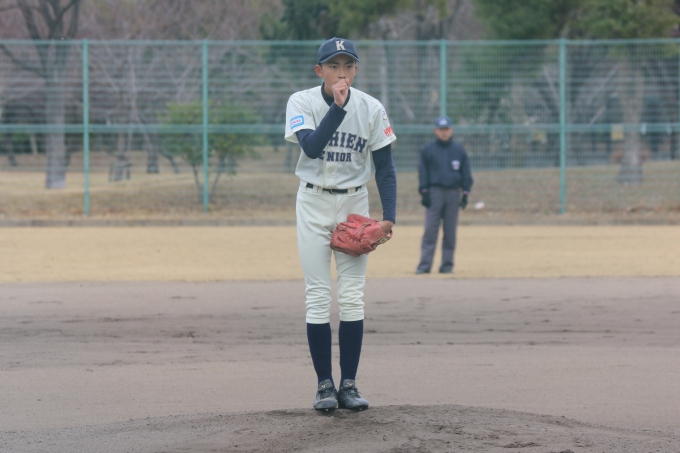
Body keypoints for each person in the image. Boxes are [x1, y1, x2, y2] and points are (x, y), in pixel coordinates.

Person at [284, 37, 397, 411]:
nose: (342, 73)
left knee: (351, 296)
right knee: (318, 296)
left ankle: (348, 385)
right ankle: (324, 386)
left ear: (356, 69)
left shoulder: (371, 108)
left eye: (348, 65)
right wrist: (337, 107)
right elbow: (311, 147)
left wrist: (389, 217)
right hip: (313, 202)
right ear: (320, 71)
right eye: (334, 66)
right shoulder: (302, 102)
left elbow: (385, 167)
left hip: (354, 204)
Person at [415, 115, 473, 275]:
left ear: (451, 130)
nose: (444, 132)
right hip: (435, 192)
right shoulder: (428, 150)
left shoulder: (459, 150)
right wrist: (424, 191)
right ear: (436, 130)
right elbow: (423, 172)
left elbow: (466, 173)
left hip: (453, 193)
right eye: (441, 129)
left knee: (450, 231)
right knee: (430, 230)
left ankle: (447, 265)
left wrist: (465, 193)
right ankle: (424, 265)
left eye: (446, 129)